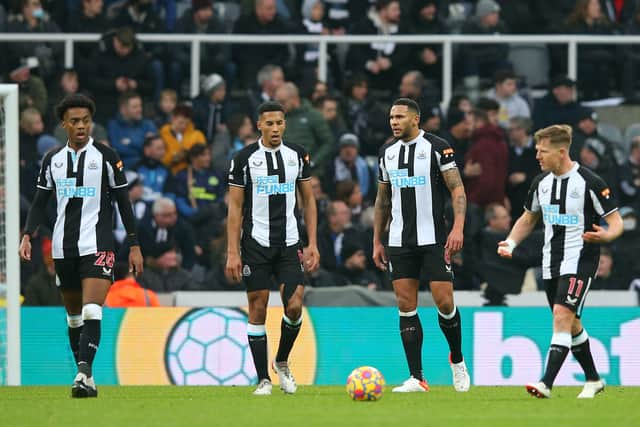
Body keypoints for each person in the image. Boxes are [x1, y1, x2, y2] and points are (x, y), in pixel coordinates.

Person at [19, 93, 144, 398]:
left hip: (98, 244)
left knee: (92, 309)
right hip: (64, 248)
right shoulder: (52, 160)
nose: (81, 126)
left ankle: (84, 371)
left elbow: (124, 203)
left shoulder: (106, 156)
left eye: (86, 121)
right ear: (64, 124)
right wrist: (27, 234)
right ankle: (85, 378)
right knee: (74, 316)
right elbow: (39, 203)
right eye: (74, 121)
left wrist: (134, 244)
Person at [497, 124, 623, 399]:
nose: (537, 157)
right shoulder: (540, 183)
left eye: (542, 151)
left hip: (581, 260)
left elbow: (616, 221)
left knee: (561, 315)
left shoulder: (590, 182)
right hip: (551, 263)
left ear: (561, 151)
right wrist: (511, 242)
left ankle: (546, 383)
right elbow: (528, 218)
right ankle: (593, 379)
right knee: (572, 322)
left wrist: (606, 235)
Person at [373, 98, 470, 393]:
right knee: (405, 305)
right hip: (400, 240)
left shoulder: (438, 147)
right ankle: (417, 377)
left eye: (400, 117)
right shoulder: (386, 152)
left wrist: (457, 227)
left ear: (416, 119)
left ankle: (457, 359)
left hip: (434, 238)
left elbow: (457, 189)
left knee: (444, 301)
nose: (394, 122)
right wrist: (377, 239)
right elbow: (382, 199)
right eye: (392, 117)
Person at [225, 101, 320, 396]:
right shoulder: (244, 159)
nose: (275, 128)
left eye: (280, 123)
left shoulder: (297, 155)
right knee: (258, 307)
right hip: (255, 244)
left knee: (294, 306)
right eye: (270, 124)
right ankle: (262, 379)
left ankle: (281, 361)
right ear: (259, 125)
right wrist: (232, 251)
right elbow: (235, 207)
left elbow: (308, 201)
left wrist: (312, 243)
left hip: (290, 243)